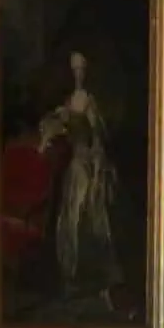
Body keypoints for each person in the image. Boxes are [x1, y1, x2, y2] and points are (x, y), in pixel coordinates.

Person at [39, 52, 120, 308]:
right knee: (70, 221)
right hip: (75, 165)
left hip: (88, 164)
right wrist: (46, 139)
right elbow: (55, 128)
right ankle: (70, 279)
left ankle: (101, 285)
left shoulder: (88, 101)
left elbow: (97, 138)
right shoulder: (67, 102)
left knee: (92, 220)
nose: (78, 73)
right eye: (74, 69)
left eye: (82, 69)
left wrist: (97, 168)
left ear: (87, 71)